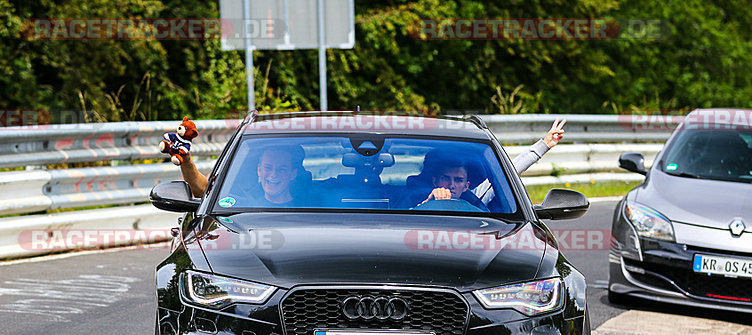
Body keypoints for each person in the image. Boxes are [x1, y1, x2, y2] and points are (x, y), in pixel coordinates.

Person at [178, 118, 567, 199]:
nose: (452, 185)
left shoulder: (477, 200)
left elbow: (506, 175)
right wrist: (184, 162)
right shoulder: (247, 194)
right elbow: (206, 192)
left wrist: (542, 146)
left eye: (458, 180)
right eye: (268, 167)